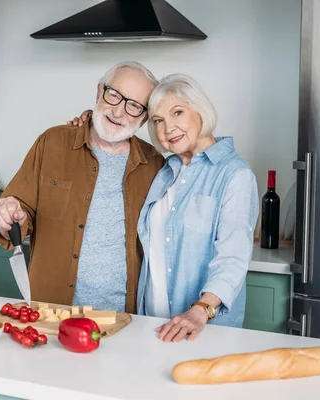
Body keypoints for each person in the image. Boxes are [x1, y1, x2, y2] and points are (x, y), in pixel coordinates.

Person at [0, 61, 165, 314]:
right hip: (51, 311)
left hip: (125, 316)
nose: (118, 112)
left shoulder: (154, 164)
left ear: (144, 116)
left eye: (135, 105)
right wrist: (6, 215)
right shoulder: (52, 142)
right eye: (114, 95)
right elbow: (19, 211)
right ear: (98, 92)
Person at [138, 73, 259, 342]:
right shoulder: (165, 172)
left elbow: (233, 258)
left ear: (200, 111)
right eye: (158, 121)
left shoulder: (234, 174)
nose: (168, 128)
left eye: (177, 112)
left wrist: (200, 311)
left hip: (199, 330)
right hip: (151, 325)